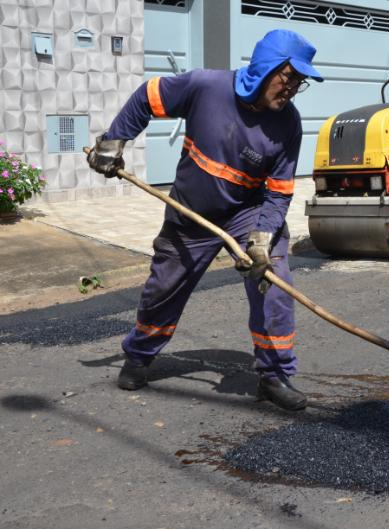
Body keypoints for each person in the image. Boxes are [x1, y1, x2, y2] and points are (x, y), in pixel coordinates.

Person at [86, 29, 323, 411]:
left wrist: (262, 236)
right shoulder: (206, 87)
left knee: (273, 280)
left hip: (247, 213)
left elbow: (279, 192)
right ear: (266, 67)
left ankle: (274, 375)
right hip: (190, 212)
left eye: (299, 82)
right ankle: (140, 354)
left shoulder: (288, 124)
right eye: (289, 77)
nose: (293, 88)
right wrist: (114, 141)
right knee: (163, 290)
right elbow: (147, 96)